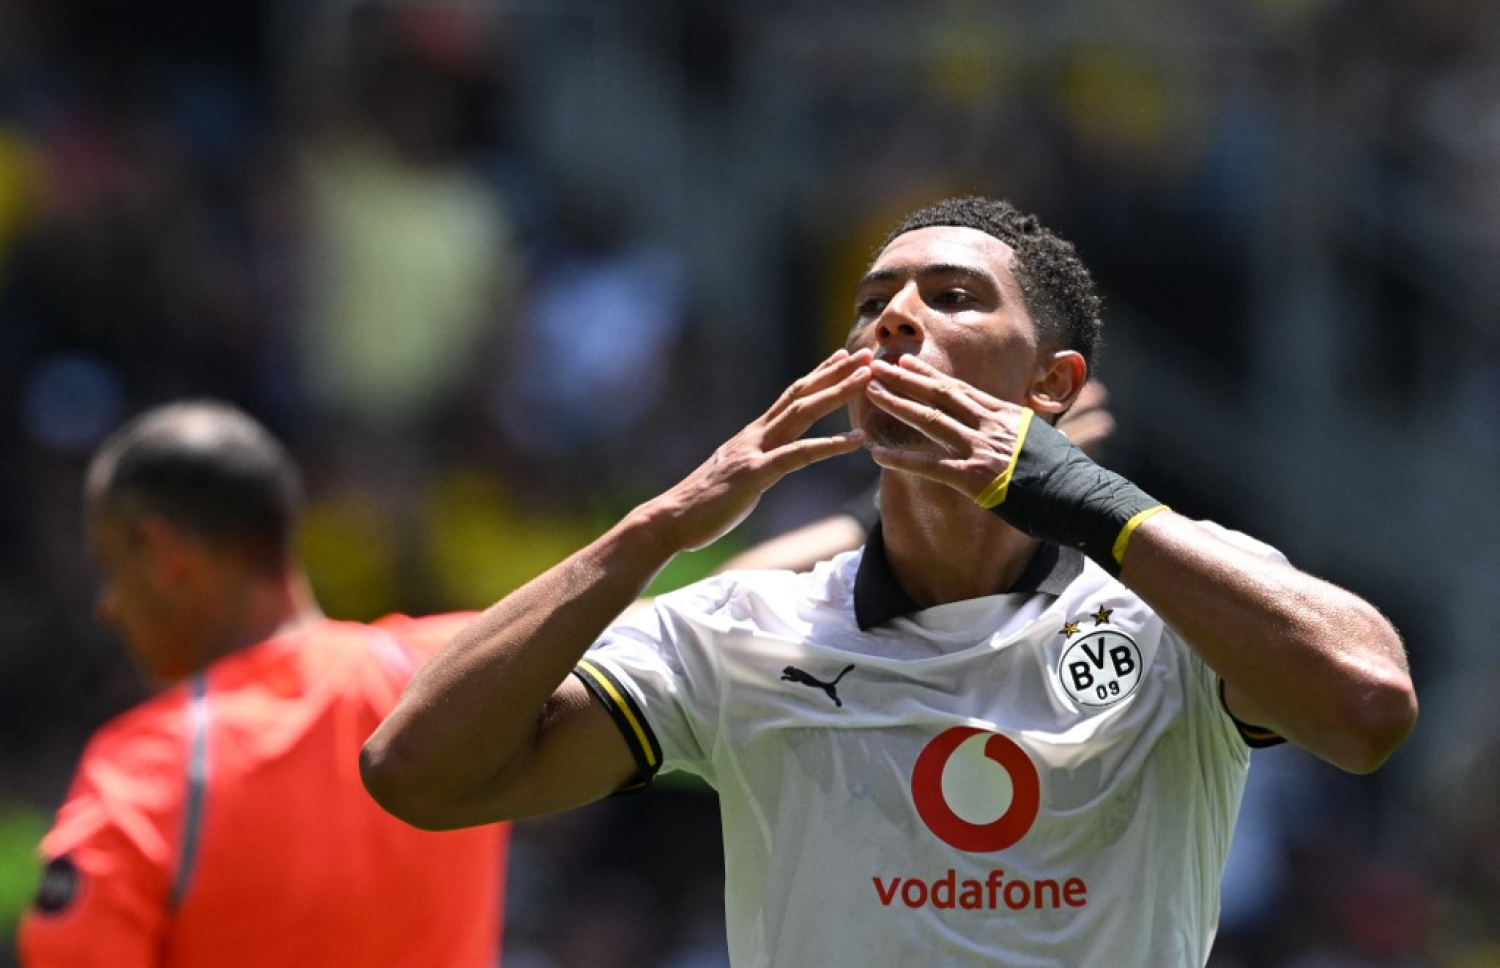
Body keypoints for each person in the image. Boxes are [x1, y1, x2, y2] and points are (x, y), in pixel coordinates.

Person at [360, 195, 1418, 967]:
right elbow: (418, 774)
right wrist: (659, 527)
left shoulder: (1173, 604)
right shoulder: (746, 625)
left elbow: (1369, 707)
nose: (894, 318)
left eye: (951, 298)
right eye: (873, 304)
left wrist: (1087, 499)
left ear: (1052, 384)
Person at [18, 401, 508, 968]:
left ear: (165, 554)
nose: (107, 605)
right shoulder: (458, 675)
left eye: (112, 565)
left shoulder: (149, 770)